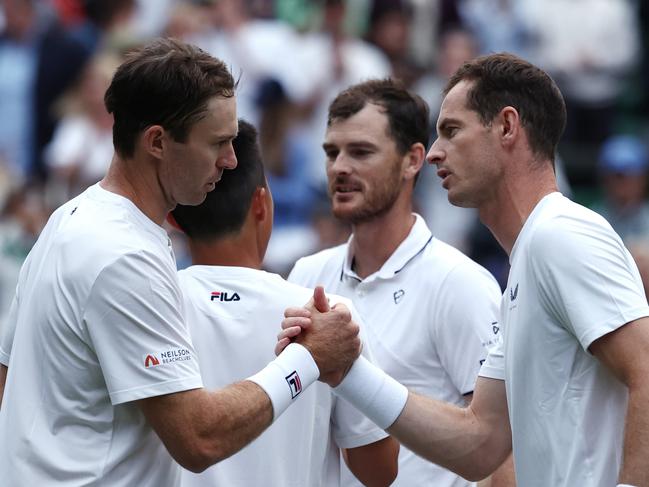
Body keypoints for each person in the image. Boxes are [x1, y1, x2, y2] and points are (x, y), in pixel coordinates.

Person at [0, 38, 360, 486]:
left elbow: (7, 378)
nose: (230, 161)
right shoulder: (124, 255)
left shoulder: (68, 219)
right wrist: (307, 360)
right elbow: (198, 439)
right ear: (157, 142)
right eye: (218, 143)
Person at [281, 53, 649, 487]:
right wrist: (349, 371)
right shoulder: (530, 259)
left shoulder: (560, 235)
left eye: (451, 131)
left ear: (507, 127)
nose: (435, 153)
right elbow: (479, 444)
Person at [287, 78, 511, 486]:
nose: (339, 167)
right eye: (331, 152)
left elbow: (500, 457)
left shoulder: (460, 283)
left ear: (413, 160)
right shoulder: (306, 275)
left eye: (360, 152)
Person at [170, 119, 399, 487]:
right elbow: (380, 471)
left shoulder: (149, 306)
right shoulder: (326, 317)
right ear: (262, 203)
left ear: (173, 219)